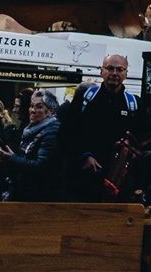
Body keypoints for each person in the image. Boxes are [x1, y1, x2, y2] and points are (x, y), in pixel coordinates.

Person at [56, 53, 139, 200]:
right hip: (82, 179)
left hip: (116, 181)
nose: (114, 73)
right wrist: (84, 156)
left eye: (120, 69)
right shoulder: (85, 98)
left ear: (126, 74)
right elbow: (65, 133)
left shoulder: (133, 104)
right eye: (110, 68)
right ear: (101, 71)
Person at [7, 88, 61, 201]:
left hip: (37, 195)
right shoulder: (32, 128)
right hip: (24, 189)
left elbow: (41, 166)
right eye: (31, 106)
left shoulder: (52, 132)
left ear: (50, 111)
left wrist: (12, 158)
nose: (33, 110)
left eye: (39, 107)